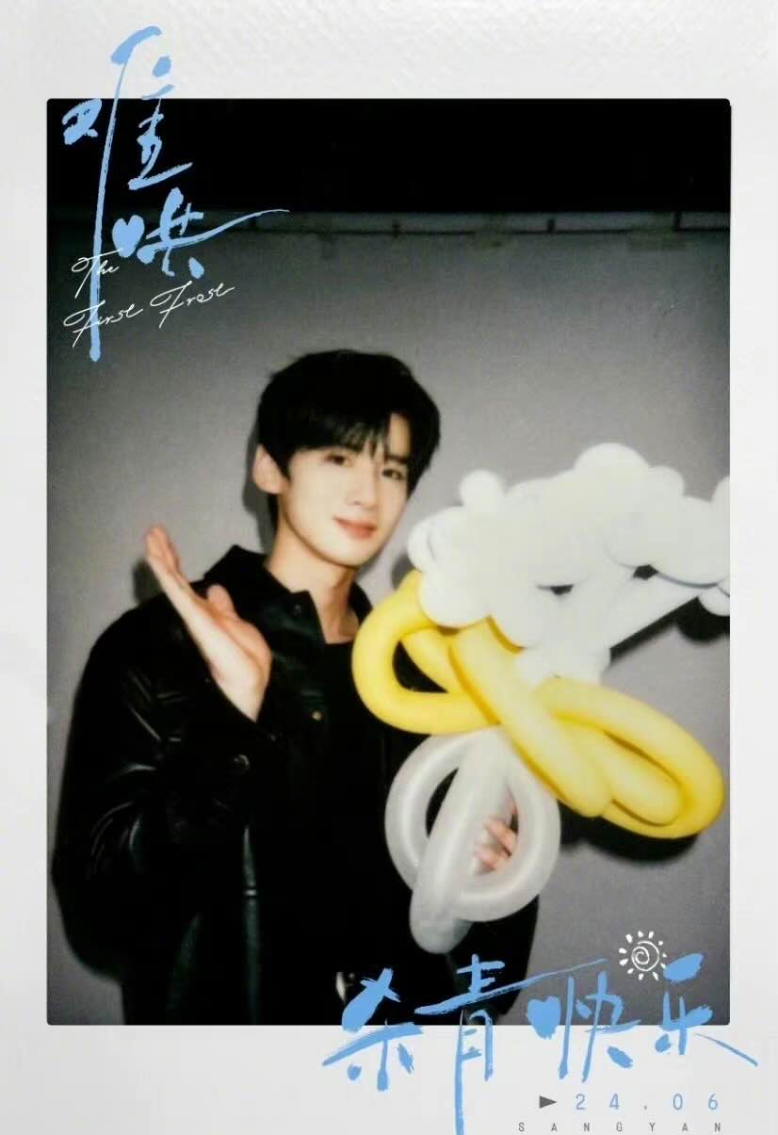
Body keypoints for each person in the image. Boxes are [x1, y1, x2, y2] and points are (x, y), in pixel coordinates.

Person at [52, 349, 537, 1024]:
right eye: (339, 458)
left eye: (391, 470)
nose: (368, 495)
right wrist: (231, 718)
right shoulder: (155, 648)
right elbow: (102, 918)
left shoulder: (430, 678)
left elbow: (489, 982)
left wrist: (492, 885)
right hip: (234, 1073)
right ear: (270, 468)